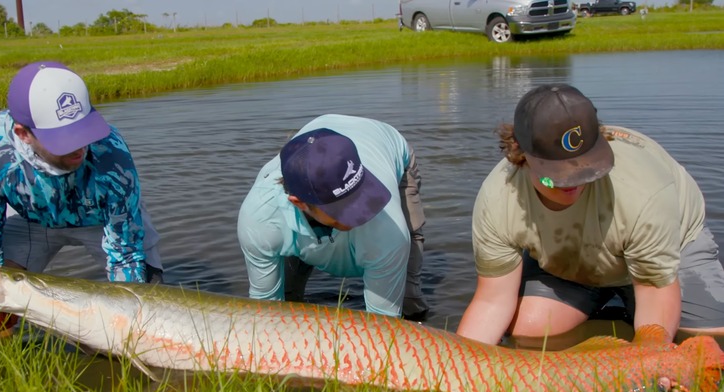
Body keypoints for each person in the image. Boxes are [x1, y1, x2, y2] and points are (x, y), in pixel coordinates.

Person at [457, 83, 724, 345]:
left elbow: (655, 289)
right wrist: (456, 370)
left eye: (586, 171)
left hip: (670, 254)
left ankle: (627, 307)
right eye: (555, 177)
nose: (571, 185)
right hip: (568, 261)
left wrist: (652, 355)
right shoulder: (498, 196)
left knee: (707, 339)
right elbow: (492, 300)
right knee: (527, 330)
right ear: (520, 156)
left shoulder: (643, 190)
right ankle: (614, 310)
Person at [0, 61, 163, 334]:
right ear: (23, 134)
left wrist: (125, 323)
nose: (79, 146)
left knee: (148, 300)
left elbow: (125, 253)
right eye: (63, 138)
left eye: (82, 130)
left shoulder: (111, 152)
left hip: (101, 222)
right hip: (30, 220)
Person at [237, 114, 429, 320]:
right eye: (342, 207)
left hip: (384, 142)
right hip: (292, 203)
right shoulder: (260, 220)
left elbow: (384, 323)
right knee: (288, 302)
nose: (363, 211)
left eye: (361, 195)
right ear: (298, 202)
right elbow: (265, 312)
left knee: (409, 306)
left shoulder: (388, 228)